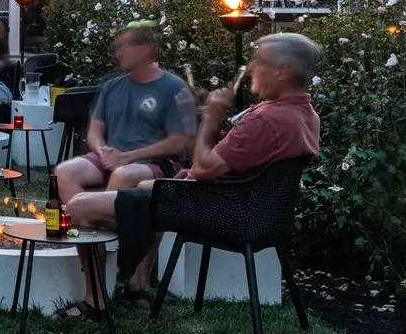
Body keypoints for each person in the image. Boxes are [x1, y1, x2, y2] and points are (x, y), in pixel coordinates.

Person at [67, 32, 322, 314]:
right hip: (253, 213)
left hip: (216, 210)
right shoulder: (305, 114)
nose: (251, 67)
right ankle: (137, 280)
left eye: (259, 61)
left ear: (282, 72)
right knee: (144, 187)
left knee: (78, 207)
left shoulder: (267, 120)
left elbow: (202, 168)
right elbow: (232, 162)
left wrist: (211, 118)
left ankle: (96, 302)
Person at [48, 22, 196, 319]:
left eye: (124, 46)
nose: (117, 52)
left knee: (124, 176)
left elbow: (181, 140)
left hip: (156, 163)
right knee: (66, 171)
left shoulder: (174, 88)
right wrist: (103, 150)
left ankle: (131, 272)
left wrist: (129, 156)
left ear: (146, 49)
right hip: (113, 156)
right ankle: (97, 251)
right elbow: (95, 132)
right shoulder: (112, 87)